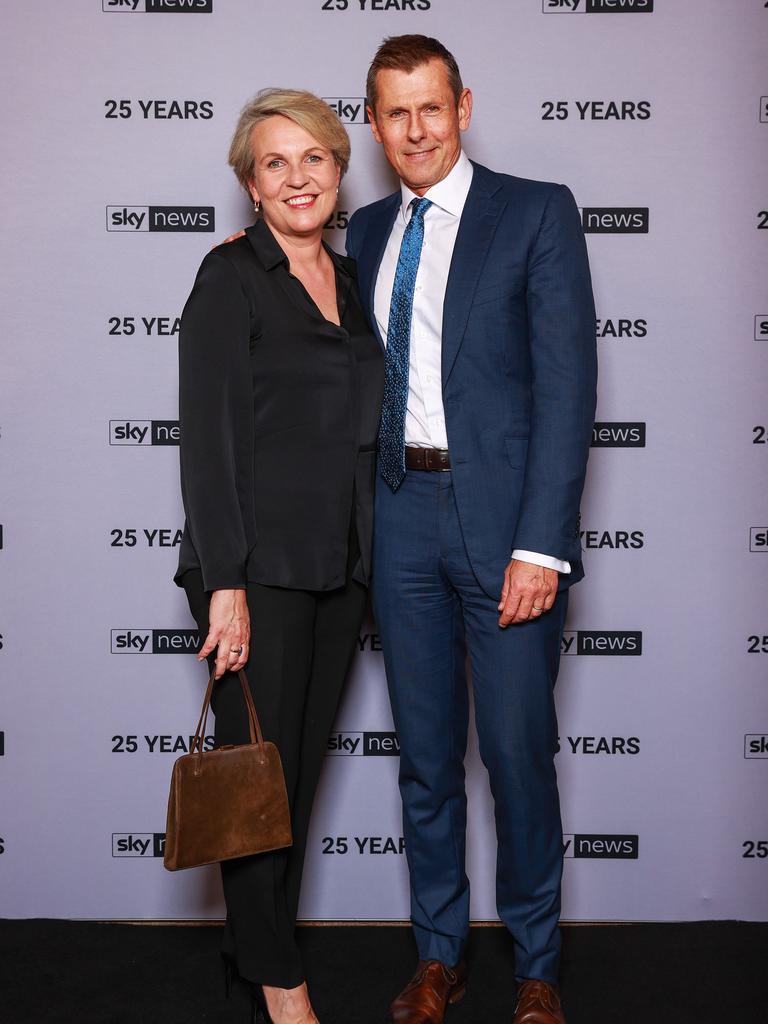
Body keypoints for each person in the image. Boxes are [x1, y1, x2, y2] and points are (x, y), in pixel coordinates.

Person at [345, 35, 597, 1024]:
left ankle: (536, 965)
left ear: (463, 106)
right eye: (394, 112)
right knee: (424, 756)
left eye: (430, 108)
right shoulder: (362, 232)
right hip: (397, 516)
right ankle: (438, 956)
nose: (414, 130)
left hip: (503, 527)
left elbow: (569, 387)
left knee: (520, 752)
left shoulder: (535, 211)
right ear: (373, 122)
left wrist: (542, 544)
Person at [175, 89, 383, 1024]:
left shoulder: (355, 277)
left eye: (314, 159)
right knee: (258, 782)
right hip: (253, 571)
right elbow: (209, 444)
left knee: (291, 782)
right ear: (250, 186)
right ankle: (277, 979)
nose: (298, 178)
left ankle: (253, 950)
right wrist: (225, 588)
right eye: (274, 163)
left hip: (339, 569)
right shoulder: (230, 279)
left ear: (340, 171)